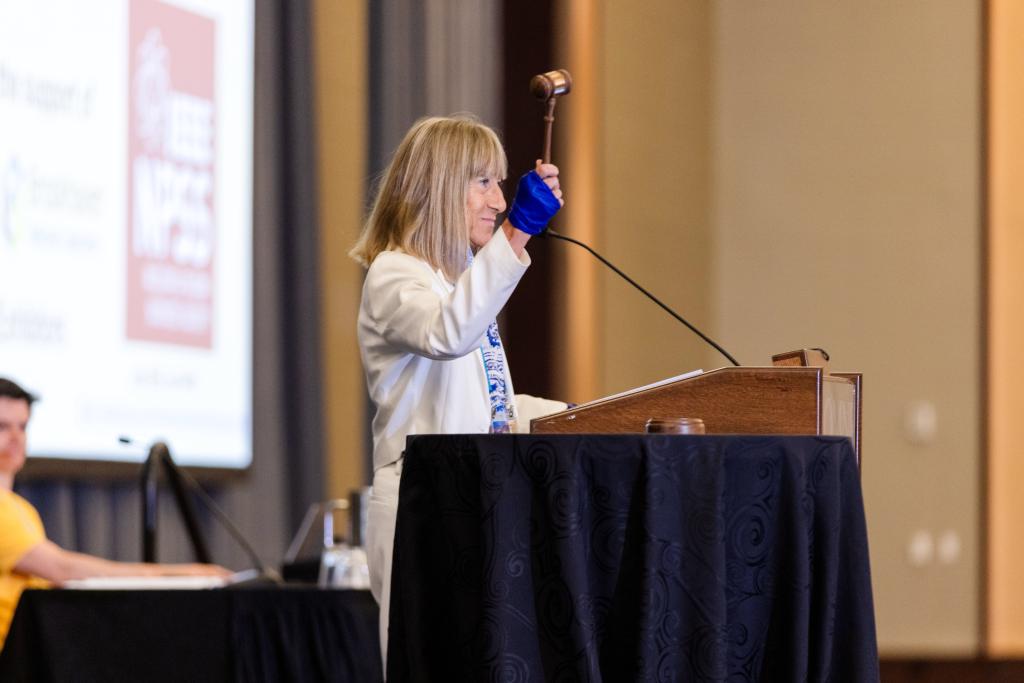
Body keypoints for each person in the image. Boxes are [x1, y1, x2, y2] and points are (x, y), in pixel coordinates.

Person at [350, 114, 569, 665]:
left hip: (473, 501)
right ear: (439, 186)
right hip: (420, 507)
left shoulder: (457, 283)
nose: (498, 199)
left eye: (501, 185)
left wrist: (587, 416)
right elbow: (446, 334)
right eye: (483, 182)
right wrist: (519, 230)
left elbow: (488, 406)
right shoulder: (395, 273)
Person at [0, 377, 231, 649]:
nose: (16, 438)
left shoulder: (22, 509)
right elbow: (63, 569)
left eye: (23, 427)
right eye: (3, 426)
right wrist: (179, 575)